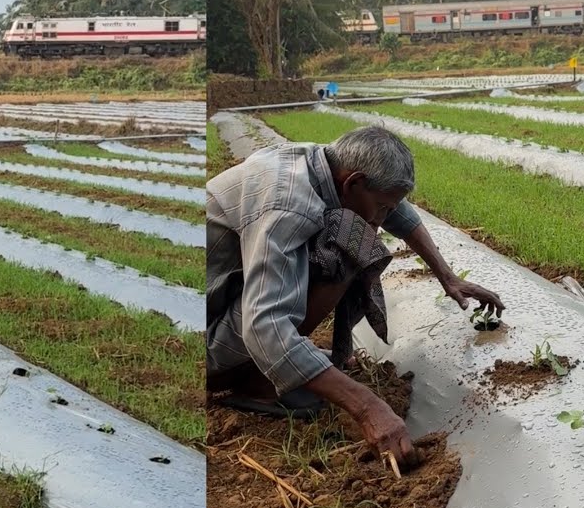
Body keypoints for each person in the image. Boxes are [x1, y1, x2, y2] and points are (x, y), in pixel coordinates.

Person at [206, 126, 504, 468]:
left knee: (351, 230)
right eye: (380, 208)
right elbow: (265, 328)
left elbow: (398, 210)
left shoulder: (322, 163)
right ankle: (254, 384)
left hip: (221, 302)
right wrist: (368, 407)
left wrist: (447, 277)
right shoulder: (288, 207)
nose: (382, 219)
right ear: (353, 182)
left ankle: (277, 366)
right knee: (347, 242)